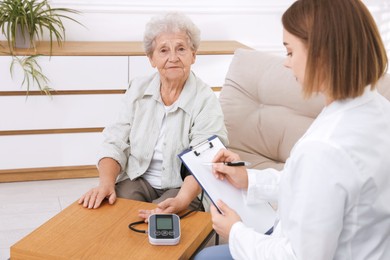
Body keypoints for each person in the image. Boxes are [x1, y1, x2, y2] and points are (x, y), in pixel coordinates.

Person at [195, 0, 390, 259]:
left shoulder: (324, 148)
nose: (286, 64)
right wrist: (250, 179)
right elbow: (316, 186)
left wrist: (235, 231)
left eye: (289, 52)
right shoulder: (375, 107)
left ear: (321, 56)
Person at [78, 12, 228, 218]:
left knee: (159, 223)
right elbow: (114, 141)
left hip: (181, 187)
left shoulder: (205, 100)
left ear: (193, 55)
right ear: (151, 58)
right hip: (137, 179)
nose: (173, 58)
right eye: (164, 50)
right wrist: (105, 184)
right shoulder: (137, 89)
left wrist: (181, 200)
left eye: (181, 49)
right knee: (109, 213)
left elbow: (205, 161)